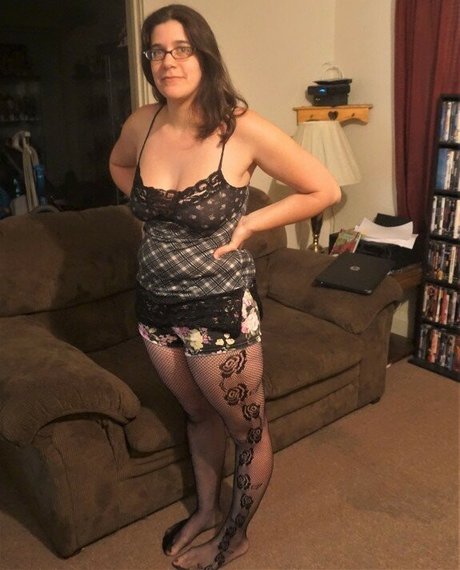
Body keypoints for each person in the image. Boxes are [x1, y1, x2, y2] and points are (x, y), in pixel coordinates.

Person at [109, 4, 341, 569]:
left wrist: (252, 222)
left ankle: (235, 536)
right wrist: (155, 220)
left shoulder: (240, 128)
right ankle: (207, 512)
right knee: (197, 415)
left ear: (204, 54)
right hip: (153, 305)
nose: (167, 61)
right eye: (157, 51)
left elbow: (324, 189)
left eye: (181, 49)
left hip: (218, 310)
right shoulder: (143, 123)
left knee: (246, 430)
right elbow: (119, 166)